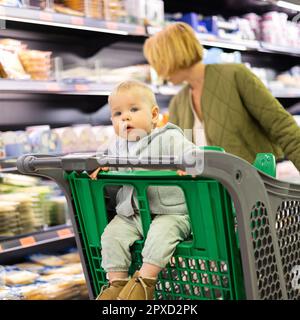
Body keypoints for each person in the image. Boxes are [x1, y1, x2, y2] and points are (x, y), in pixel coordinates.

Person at [90, 80, 199, 300]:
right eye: (117, 113)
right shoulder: (116, 147)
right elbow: (101, 160)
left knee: (161, 237)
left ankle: (144, 282)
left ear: (154, 114)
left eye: (133, 109)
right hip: (131, 214)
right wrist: (100, 165)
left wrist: (189, 164)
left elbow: (193, 154)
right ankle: (117, 284)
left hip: (170, 213)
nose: (125, 117)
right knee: (111, 236)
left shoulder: (169, 137)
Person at [143, 22, 300, 171]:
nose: (158, 72)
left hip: (255, 187)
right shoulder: (178, 102)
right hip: (210, 193)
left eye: (158, 62)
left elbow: (282, 126)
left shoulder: (235, 75)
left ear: (173, 56)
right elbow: (175, 155)